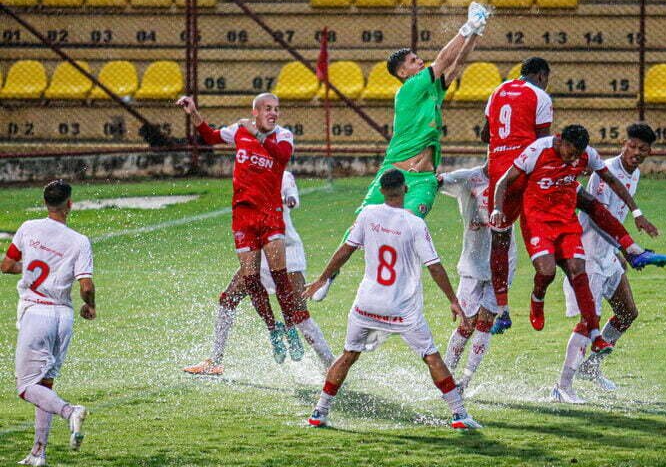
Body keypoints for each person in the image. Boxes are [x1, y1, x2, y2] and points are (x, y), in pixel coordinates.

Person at [311, 2, 492, 302]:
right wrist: (467, 26)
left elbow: (455, 64)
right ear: (402, 72)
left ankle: (393, 295)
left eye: (417, 57)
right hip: (393, 174)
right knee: (359, 228)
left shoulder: (431, 89)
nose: (418, 61)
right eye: (412, 60)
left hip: (423, 181)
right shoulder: (408, 90)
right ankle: (327, 277)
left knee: (407, 232)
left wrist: (476, 33)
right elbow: (444, 59)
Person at [480, 57, 666, 331]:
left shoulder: (497, 92)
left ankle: (503, 309)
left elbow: (487, 134)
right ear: (543, 75)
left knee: (500, 238)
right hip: (532, 172)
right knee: (590, 204)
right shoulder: (540, 96)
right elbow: (546, 146)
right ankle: (631, 250)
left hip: (501, 172)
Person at [302, 170, 481, 430]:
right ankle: (459, 415)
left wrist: (322, 279)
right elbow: (434, 266)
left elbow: (345, 250)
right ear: (405, 190)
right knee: (431, 358)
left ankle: (319, 411)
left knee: (348, 356)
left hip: (367, 306)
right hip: (402, 309)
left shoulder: (368, 214)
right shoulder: (414, 224)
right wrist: (453, 299)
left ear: (383, 191)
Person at [176, 93, 309, 362]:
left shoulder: (282, 135)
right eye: (268, 109)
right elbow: (211, 136)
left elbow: (282, 157)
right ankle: (274, 330)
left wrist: (259, 136)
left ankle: (292, 330)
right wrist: (193, 112)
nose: (274, 113)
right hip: (243, 217)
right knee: (250, 280)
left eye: (277, 109)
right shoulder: (239, 130)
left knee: (280, 276)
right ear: (256, 112)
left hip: (271, 215)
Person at [491, 125, 641, 362]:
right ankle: (537, 297)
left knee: (577, 269)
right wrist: (498, 208)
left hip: (566, 221)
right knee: (547, 271)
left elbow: (610, 179)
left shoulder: (586, 155)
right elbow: (503, 182)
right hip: (538, 220)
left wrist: (636, 211)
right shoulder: (537, 151)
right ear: (560, 140)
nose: (573, 158)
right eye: (570, 151)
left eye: (577, 154)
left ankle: (595, 333)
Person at [183, 171, 334, 376]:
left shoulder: (282, 174)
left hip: (286, 251)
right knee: (228, 298)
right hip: (258, 251)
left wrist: (284, 200)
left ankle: (331, 365)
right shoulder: (247, 174)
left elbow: (292, 199)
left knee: (299, 312)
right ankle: (214, 361)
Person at [556, 123, 657, 402]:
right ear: (623, 144)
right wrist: (624, 248)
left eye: (642, 149)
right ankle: (562, 386)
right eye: (632, 146)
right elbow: (596, 218)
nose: (636, 152)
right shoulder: (607, 172)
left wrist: (617, 253)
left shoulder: (633, 173)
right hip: (588, 254)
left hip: (608, 254)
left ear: (650, 151)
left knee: (627, 313)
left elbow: (616, 217)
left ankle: (591, 366)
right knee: (589, 322)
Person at [2, 180, 94, 466]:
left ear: (45, 202)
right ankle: (38, 452)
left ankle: (70, 411)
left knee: (26, 387)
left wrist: (28, 267)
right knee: (45, 384)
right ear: (69, 204)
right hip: (63, 318)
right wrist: (90, 305)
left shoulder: (29, 227)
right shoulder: (80, 241)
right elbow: (86, 286)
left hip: (36, 314)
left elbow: (6, 265)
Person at [438, 162, 516, 394]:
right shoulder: (467, 178)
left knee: (484, 324)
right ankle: (445, 377)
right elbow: (436, 182)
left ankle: (465, 381)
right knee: (466, 323)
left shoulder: (514, 178)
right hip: (472, 264)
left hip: (502, 264)